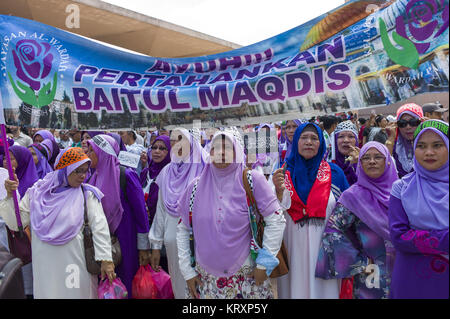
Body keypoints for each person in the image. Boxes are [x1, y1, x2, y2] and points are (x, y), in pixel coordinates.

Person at [176, 130, 286, 299]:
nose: (220, 152)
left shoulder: (252, 180)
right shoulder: (195, 187)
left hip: (246, 277)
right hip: (205, 280)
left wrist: (264, 264)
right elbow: (183, 229)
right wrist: (187, 271)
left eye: (227, 147)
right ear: (209, 152)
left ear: (236, 151)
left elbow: (276, 220)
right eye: (215, 148)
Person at [0, 147, 115, 298]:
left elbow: (99, 227)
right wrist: (10, 196)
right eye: (78, 170)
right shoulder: (37, 192)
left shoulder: (87, 194)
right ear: (64, 169)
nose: (83, 175)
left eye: (85, 170)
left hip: (74, 264)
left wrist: (106, 259)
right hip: (45, 265)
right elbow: (16, 223)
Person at [272, 123, 349, 299]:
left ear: (321, 143)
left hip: (326, 252)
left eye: (314, 138)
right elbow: (272, 214)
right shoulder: (282, 174)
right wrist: (277, 191)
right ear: (295, 141)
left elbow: (348, 213)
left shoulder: (335, 173)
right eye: (304, 138)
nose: (309, 142)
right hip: (292, 248)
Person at [316, 142, 398, 299]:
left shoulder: (401, 193)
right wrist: (357, 263)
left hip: (402, 267)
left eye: (378, 157)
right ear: (360, 163)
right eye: (366, 158)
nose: (372, 161)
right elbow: (332, 231)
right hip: (371, 272)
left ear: (388, 161)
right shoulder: (352, 197)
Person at [388, 120, 449, 299]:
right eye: (421, 146)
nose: (429, 152)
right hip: (414, 277)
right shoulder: (402, 188)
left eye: (437, 145)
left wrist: (423, 236)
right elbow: (399, 237)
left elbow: (409, 236)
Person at [86, 134, 151, 298]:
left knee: (126, 283)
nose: (88, 156)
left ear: (103, 153)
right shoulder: (92, 178)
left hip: (126, 241)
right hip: (103, 243)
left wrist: (143, 247)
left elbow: (141, 212)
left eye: (92, 152)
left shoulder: (125, 175)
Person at [149, 128, 207, 299]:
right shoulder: (167, 171)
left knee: (204, 288)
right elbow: (161, 210)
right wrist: (156, 246)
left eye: (181, 139)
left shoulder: (204, 168)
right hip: (173, 243)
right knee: (180, 288)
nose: (177, 144)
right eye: (173, 140)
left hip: (202, 242)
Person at [1, 145, 39, 298]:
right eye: (5, 158)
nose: (6, 162)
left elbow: (22, 218)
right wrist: (9, 195)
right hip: (9, 235)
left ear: (22, 161)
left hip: (27, 241)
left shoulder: (36, 186)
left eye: (11, 158)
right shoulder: (5, 179)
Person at [140, 135, 171, 227]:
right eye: (154, 147)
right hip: (144, 225)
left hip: (162, 226)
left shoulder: (171, 175)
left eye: (162, 148)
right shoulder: (145, 173)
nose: (157, 151)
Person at [385, 103, 424, 178]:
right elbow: (384, 167)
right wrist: (391, 138)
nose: (408, 127)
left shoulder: (431, 146)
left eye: (413, 122)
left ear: (421, 122)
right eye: (402, 123)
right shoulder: (394, 146)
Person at [332, 120, 360, 186]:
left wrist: (357, 165)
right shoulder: (327, 166)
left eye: (351, 136)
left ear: (356, 140)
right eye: (341, 136)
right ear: (335, 140)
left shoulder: (365, 163)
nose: (346, 140)